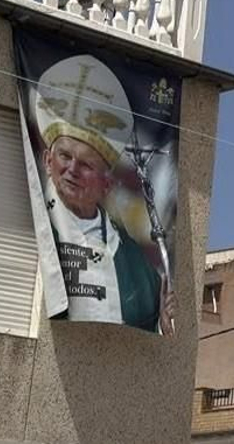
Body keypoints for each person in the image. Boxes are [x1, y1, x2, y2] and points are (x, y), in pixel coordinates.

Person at [34, 55, 173, 334]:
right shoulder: (36, 225)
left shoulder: (134, 260)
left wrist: (164, 321)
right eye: (64, 156)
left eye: (86, 164)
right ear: (48, 161)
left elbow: (148, 330)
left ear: (106, 185)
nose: (71, 169)